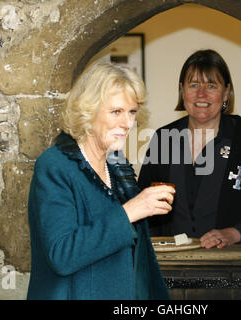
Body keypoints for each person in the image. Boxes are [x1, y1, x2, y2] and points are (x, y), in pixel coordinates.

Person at [27, 62, 175, 300]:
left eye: (132, 112)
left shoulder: (117, 167)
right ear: (88, 110)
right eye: (116, 112)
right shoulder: (54, 165)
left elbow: (137, 259)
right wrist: (129, 212)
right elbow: (62, 255)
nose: (127, 124)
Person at [138, 49, 241, 248]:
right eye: (193, 84)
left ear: (226, 92)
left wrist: (235, 233)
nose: (201, 94)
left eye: (211, 85)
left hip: (233, 268)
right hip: (173, 266)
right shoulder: (163, 139)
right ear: (182, 90)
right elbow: (143, 209)